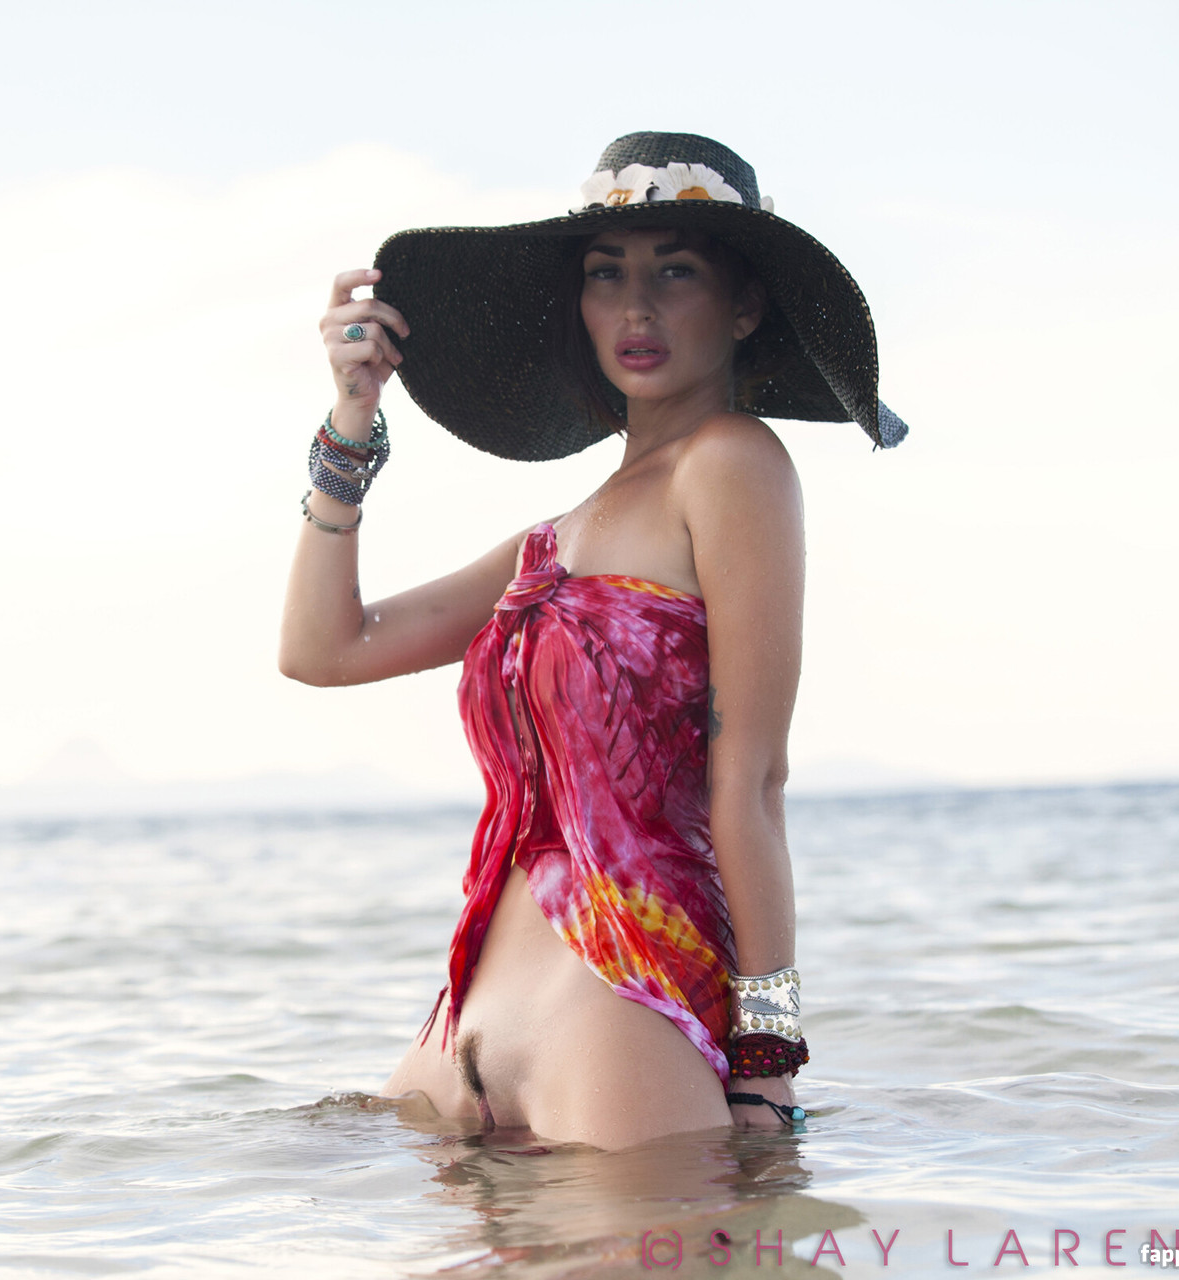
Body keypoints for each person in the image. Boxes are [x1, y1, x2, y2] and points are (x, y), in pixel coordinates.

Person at [278, 132, 906, 1151]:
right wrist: (352, 422)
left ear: (744, 305)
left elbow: (752, 780)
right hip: (464, 1022)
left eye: (675, 270)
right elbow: (323, 649)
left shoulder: (732, 463)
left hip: (615, 1012)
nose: (635, 307)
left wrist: (769, 1054)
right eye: (606, 273)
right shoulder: (550, 540)